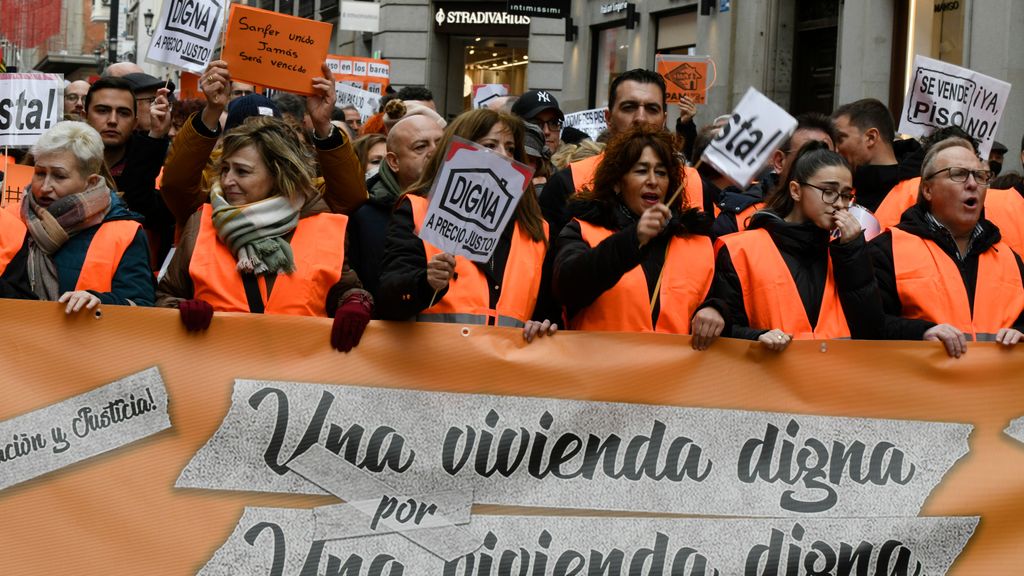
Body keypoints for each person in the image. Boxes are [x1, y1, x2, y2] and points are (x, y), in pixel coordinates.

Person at [155, 117, 372, 352]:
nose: (228, 181)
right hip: (214, 370)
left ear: (278, 174)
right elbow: (165, 295)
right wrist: (181, 310)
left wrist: (355, 304)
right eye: (225, 169)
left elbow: (346, 290)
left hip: (296, 374)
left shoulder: (323, 225)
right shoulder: (201, 222)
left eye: (242, 171)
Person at [376, 109, 557, 341]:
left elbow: (548, 311)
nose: (504, 156)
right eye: (490, 145)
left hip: (504, 371)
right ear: (460, 152)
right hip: (433, 369)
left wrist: (543, 324)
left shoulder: (536, 230)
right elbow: (387, 297)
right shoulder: (418, 210)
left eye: (510, 148)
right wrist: (425, 283)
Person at [553, 125, 722, 348]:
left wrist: (717, 308)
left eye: (661, 173)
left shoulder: (697, 242)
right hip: (599, 378)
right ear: (616, 183)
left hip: (675, 380)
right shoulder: (582, 231)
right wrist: (633, 238)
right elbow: (567, 287)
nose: (653, 180)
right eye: (641, 171)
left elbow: (725, 298)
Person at [159, 60, 367, 236]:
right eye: (246, 134)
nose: (230, 180)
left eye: (269, 135)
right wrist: (211, 112)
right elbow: (176, 187)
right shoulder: (211, 191)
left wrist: (323, 124)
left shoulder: (303, 195)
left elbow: (349, 198)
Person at [710, 141, 884, 350]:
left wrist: (854, 254)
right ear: (795, 190)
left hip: (837, 378)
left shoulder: (846, 251)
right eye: (829, 191)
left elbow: (872, 330)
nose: (839, 203)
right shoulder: (740, 249)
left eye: (846, 195)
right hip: (766, 378)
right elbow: (724, 332)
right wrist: (758, 337)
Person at [870, 137, 1024, 357]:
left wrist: (1020, 335)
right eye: (958, 174)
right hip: (922, 388)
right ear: (927, 190)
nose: (972, 184)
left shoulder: (1009, 257)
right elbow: (869, 325)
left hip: (993, 390)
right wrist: (920, 333)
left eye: (980, 176)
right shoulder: (888, 249)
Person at [540, 69, 705, 236]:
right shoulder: (567, 181)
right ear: (608, 118)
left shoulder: (693, 182)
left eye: (652, 109)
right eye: (629, 107)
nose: (640, 118)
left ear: (664, 120)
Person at [15, 121, 154, 311]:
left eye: (59, 176)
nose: (45, 187)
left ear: (91, 182)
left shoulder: (125, 232)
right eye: (40, 173)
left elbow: (143, 307)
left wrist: (100, 302)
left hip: (87, 339)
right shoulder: (10, 218)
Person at [347, 113, 445, 298]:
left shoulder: (464, 209)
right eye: (421, 147)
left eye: (441, 144)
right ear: (394, 162)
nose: (435, 152)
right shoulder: (366, 216)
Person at [84, 76, 176, 268]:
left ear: (135, 122)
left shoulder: (149, 164)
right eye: (102, 110)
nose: (112, 120)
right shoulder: (62, 164)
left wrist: (156, 137)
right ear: (85, 115)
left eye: (123, 113)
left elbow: (142, 204)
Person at [831, 98, 899, 212]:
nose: (835, 149)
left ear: (871, 137)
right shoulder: (842, 186)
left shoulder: (917, 189)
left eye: (840, 139)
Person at [511, 89, 564, 154]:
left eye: (553, 123)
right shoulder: (503, 163)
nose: (546, 131)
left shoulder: (567, 164)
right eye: (536, 124)